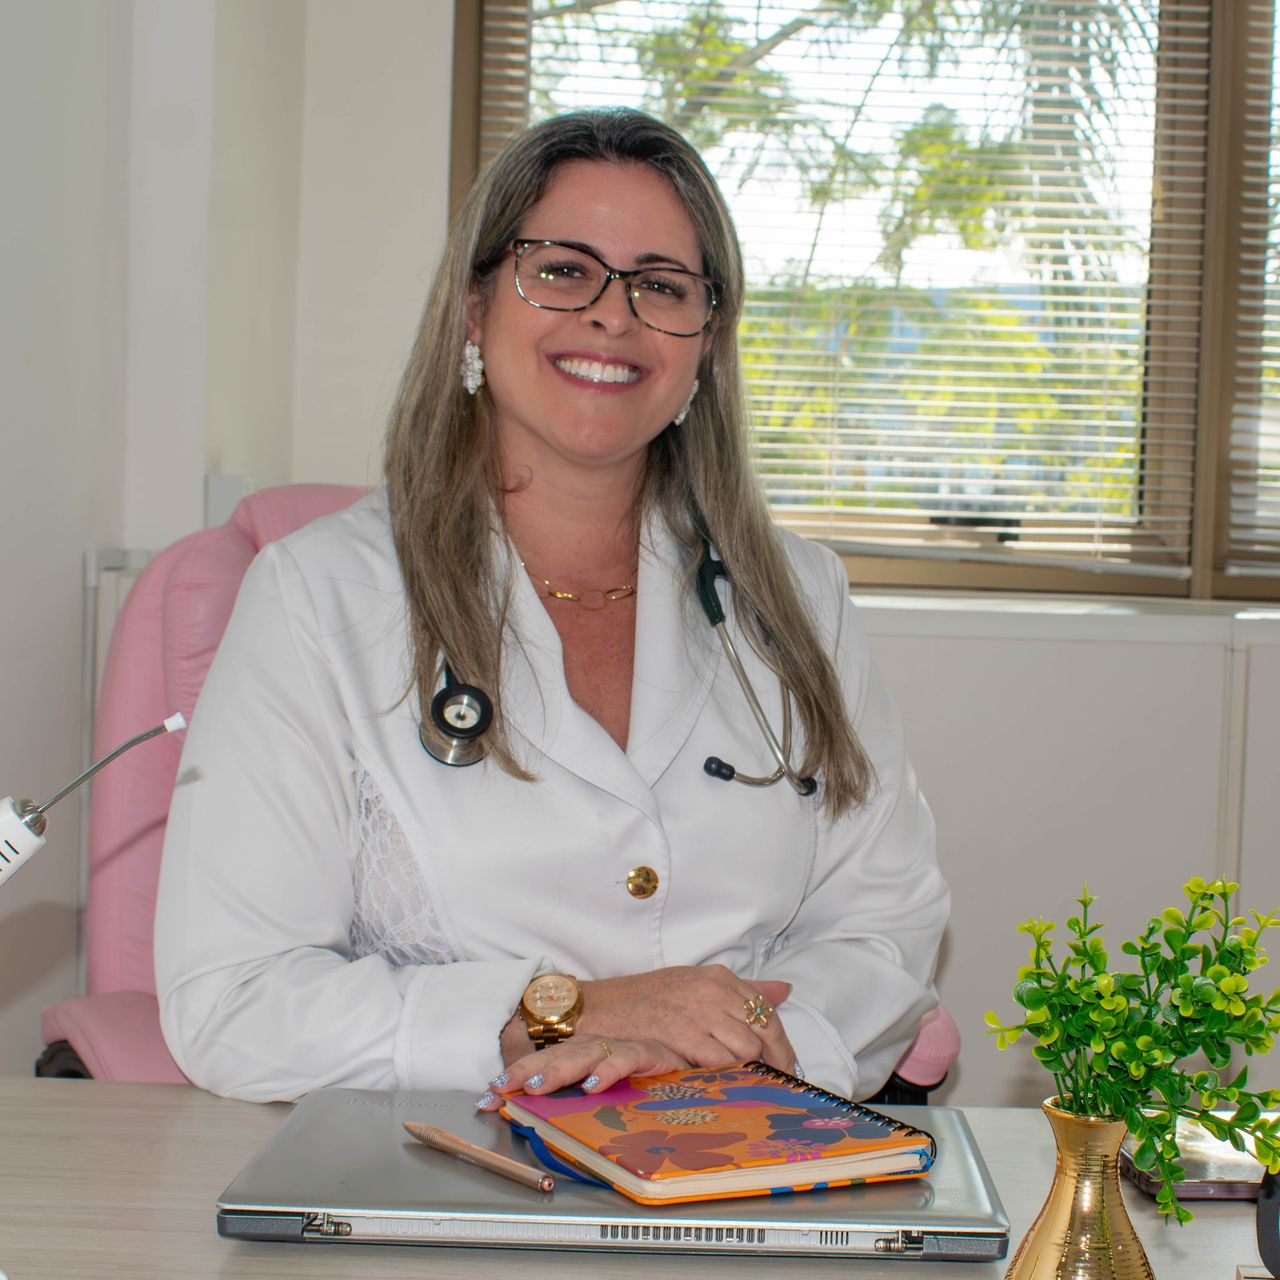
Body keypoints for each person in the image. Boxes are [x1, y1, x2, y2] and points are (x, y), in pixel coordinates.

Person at [153, 108, 949, 1108]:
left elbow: (884, 924)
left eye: (662, 285)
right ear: (474, 308)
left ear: (706, 341)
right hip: (444, 1165)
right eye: (564, 270)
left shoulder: (799, 598)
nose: (613, 316)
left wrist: (745, 1042)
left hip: (737, 1155)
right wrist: (561, 1013)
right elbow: (233, 1002)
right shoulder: (316, 597)